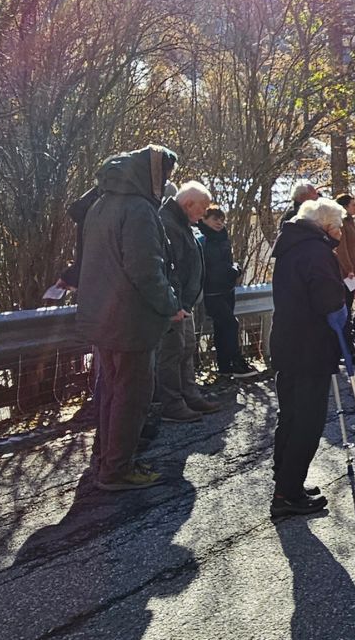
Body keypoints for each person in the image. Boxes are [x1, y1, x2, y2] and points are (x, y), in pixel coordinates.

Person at [75, 144, 182, 492]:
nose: (166, 183)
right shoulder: (137, 210)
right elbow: (146, 270)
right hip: (131, 320)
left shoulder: (101, 204)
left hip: (104, 317)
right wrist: (170, 304)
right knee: (131, 396)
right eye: (165, 174)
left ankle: (106, 460)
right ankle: (118, 469)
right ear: (151, 173)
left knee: (109, 390)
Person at [269, 197, 348, 520]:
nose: (342, 232)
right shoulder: (316, 252)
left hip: (287, 343)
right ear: (327, 226)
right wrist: (343, 326)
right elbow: (329, 300)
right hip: (309, 346)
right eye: (340, 226)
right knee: (307, 421)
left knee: (290, 416)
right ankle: (288, 493)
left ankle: (287, 481)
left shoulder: (291, 247)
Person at [156, 182, 222, 422]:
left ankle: (189, 395)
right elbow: (167, 267)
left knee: (186, 349)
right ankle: (172, 403)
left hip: (185, 301)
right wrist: (173, 303)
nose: (204, 213)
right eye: (202, 207)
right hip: (175, 303)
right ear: (187, 204)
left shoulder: (182, 223)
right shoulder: (168, 224)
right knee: (172, 353)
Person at [198, 206, 253, 378]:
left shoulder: (223, 238)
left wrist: (234, 268)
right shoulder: (202, 239)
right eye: (215, 219)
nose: (219, 223)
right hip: (211, 292)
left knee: (222, 327)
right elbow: (214, 267)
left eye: (221, 220)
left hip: (226, 289)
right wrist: (234, 270)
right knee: (230, 324)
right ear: (205, 219)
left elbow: (225, 263)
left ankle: (224, 367)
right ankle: (234, 362)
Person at [334, 194, 355, 341]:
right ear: (345, 206)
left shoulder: (351, 222)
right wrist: (349, 269)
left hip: (354, 268)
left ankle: (350, 334)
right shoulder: (341, 222)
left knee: (350, 302)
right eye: (353, 205)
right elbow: (342, 249)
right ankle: (346, 337)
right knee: (346, 304)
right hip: (347, 272)